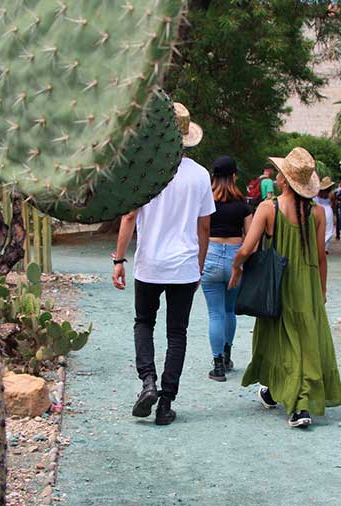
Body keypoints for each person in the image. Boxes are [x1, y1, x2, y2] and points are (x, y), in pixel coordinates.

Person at [112, 103, 215, 426]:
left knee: (144, 322)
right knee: (177, 333)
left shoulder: (143, 169)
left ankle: (148, 382)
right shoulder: (199, 175)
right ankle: (166, 402)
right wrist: (199, 265)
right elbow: (205, 227)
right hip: (184, 265)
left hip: (149, 264)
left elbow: (129, 215)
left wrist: (118, 259)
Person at [229, 147, 341, 429]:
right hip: (306, 285)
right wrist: (322, 290)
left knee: (282, 338)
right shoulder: (317, 213)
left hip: (278, 284)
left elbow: (247, 247)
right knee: (304, 341)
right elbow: (320, 257)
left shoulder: (269, 208)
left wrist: (237, 268)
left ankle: (299, 405)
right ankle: (273, 389)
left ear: (283, 179)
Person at [201, 156, 253, 382]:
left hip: (210, 255)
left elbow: (199, 231)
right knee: (230, 310)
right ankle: (227, 353)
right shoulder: (243, 205)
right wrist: (240, 263)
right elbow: (251, 238)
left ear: (213, 176)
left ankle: (218, 365)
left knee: (215, 313)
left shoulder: (204, 202)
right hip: (235, 257)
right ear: (234, 176)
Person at [314, 177, 336, 254]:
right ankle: (323, 246)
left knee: (319, 228)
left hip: (318, 209)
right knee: (329, 230)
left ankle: (320, 246)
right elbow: (333, 204)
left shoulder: (317, 193)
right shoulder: (331, 194)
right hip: (328, 211)